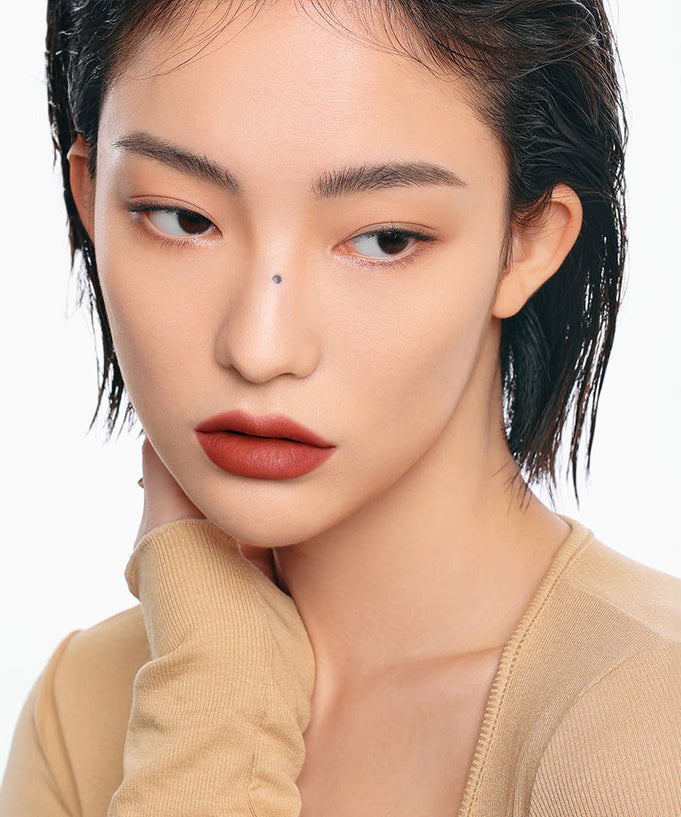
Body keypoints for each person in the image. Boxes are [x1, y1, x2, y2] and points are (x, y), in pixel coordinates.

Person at [1, 0, 680, 814]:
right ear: (89, 195)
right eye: (183, 219)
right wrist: (218, 685)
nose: (259, 346)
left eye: (384, 238)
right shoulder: (83, 709)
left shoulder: (646, 721)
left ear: (526, 239)